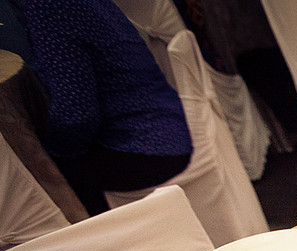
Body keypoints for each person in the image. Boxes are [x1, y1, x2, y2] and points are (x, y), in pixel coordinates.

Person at [13, 0, 193, 216]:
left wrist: (51, 152)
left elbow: (77, 114)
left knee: (37, 180)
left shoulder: (46, 5)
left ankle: (121, 245)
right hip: (165, 123)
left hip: (145, 145)